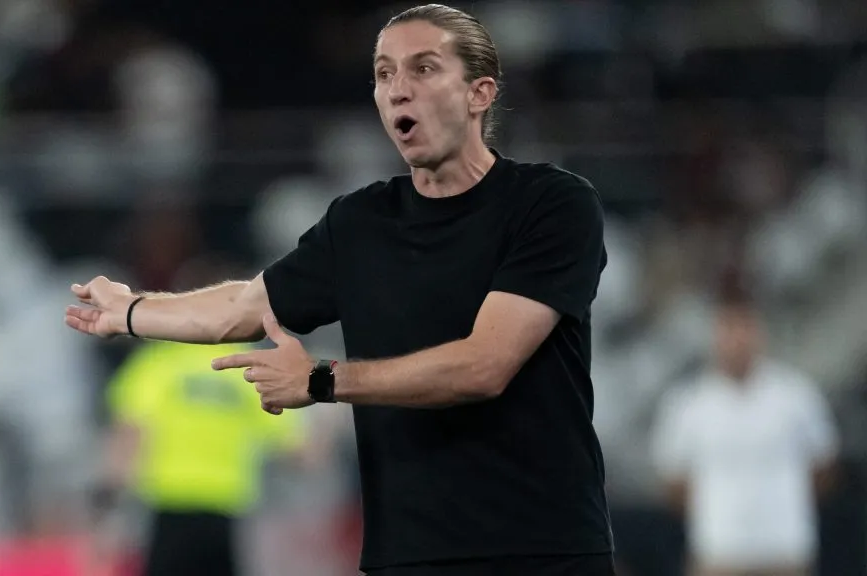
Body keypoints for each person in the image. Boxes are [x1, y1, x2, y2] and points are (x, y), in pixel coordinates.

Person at [66, 4, 615, 574]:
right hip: (405, 555)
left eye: (423, 69)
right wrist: (132, 310)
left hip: (542, 550)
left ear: (480, 93)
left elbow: (484, 366)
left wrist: (324, 380)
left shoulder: (551, 204)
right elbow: (242, 308)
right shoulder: (360, 223)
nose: (398, 90)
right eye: (383, 74)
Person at [650, 284, 839, 576]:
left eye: (745, 328)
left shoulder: (796, 396)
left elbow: (824, 467)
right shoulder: (688, 404)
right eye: (728, 329)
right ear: (714, 336)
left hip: (784, 551)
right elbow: (674, 481)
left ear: (760, 332)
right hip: (720, 553)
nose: (737, 340)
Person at [90, 340, 308, 576]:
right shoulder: (248, 371)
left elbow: (129, 433)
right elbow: (298, 450)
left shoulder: (159, 364)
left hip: (170, 503)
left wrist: (109, 492)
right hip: (226, 508)